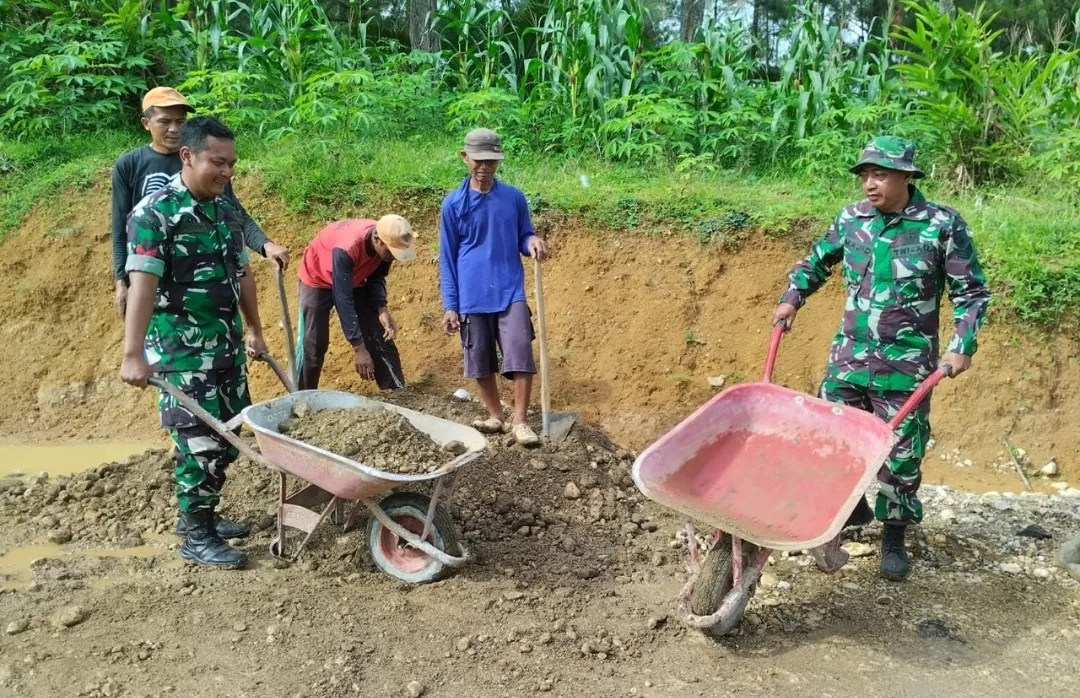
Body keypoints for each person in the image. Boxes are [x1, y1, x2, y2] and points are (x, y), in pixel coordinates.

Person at [773, 136, 991, 581]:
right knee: (830, 440)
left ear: (906, 176)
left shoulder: (941, 225)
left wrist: (961, 345)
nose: (869, 184)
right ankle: (851, 510)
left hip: (906, 368)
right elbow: (816, 261)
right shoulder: (852, 219)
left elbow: (971, 293)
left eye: (880, 175)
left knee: (902, 457)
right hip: (848, 360)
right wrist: (792, 298)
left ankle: (894, 534)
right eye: (865, 175)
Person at [119, 116, 268, 570]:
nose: (226, 172)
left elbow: (242, 273)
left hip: (225, 346)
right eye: (217, 163)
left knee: (230, 431)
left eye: (231, 164)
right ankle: (196, 533)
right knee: (198, 441)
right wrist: (133, 354)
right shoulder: (154, 214)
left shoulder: (225, 210)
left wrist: (256, 330)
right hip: (181, 351)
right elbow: (141, 285)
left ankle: (201, 515)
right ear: (188, 156)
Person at [111, 86, 290, 318]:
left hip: (197, 268)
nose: (175, 129)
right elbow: (120, 226)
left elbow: (232, 212)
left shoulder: (206, 163)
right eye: (165, 121)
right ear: (146, 123)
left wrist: (265, 245)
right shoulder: (129, 165)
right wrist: (121, 281)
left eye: (181, 121)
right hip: (151, 272)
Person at [439, 128, 549, 447]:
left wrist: (532, 242)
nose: (484, 167)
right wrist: (451, 304)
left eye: (491, 160)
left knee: (519, 351)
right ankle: (495, 416)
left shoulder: (513, 198)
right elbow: (447, 258)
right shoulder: (453, 205)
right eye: (478, 160)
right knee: (479, 359)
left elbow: (523, 235)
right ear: (465, 158)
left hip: (509, 289)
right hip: (471, 296)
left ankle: (519, 422)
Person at [295, 216, 415, 390]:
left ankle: (395, 390)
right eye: (391, 252)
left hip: (354, 275)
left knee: (376, 329)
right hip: (317, 277)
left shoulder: (387, 239)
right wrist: (359, 348)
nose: (393, 258)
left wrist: (382, 309)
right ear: (377, 240)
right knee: (314, 342)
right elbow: (343, 300)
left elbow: (377, 275)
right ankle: (303, 397)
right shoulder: (347, 248)